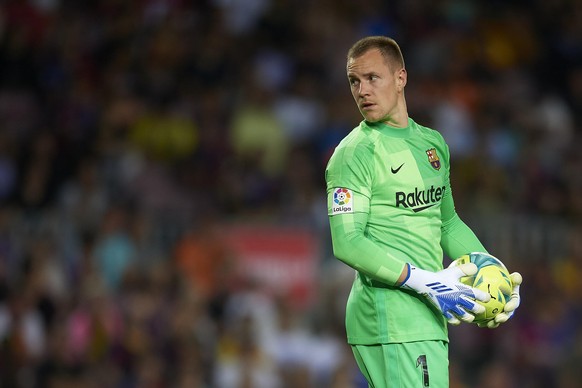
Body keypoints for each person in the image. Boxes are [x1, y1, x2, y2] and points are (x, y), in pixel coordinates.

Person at [325, 36, 523, 388]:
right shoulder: (353, 153)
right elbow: (347, 242)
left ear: (401, 77)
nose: (362, 90)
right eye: (355, 81)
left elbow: (446, 222)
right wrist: (427, 282)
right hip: (390, 318)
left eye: (373, 78)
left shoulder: (432, 144)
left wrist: (492, 270)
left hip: (427, 317)